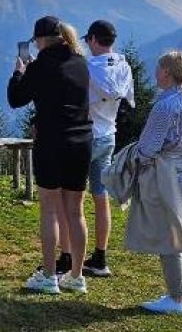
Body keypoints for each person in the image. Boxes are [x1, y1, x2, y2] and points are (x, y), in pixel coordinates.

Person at [8, 16, 93, 295]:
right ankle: (77, 276)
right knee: (76, 211)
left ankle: (48, 276)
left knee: (50, 209)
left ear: (41, 39)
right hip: (82, 140)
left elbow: (16, 99)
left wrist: (19, 72)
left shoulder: (40, 66)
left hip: (52, 142)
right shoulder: (81, 63)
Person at [52, 21, 135, 277]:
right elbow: (127, 99)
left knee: (69, 201)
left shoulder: (87, 68)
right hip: (109, 135)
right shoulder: (123, 66)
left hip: (85, 136)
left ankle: (67, 257)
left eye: (88, 40)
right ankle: (100, 257)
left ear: (94, 40)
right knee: (101, 197)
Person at [125, 50, 182, 315]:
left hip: (167, 173)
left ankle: (176, 297)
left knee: (169, 236)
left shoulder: (166, 105)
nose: (156, 73)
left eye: (159, 68)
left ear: (167, 72)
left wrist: (130, 161)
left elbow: (148, 148)